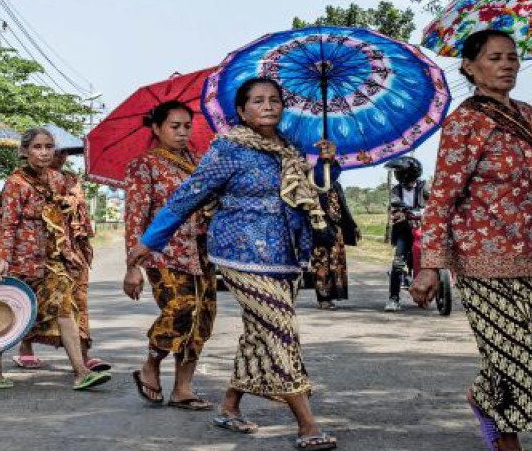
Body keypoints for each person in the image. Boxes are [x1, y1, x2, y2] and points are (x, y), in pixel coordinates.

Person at [411, 29, 532, 451]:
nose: (508, 65)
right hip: (482, 259)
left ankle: (482, 397)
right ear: (470, 66)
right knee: (509, 353)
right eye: (496, 57)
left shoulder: (528, 114)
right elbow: (442, 195)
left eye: (513, 57)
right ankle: (505, 440)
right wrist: (430, 264)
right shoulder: (465, 122)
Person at [129, 77, 339, 451]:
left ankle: (230, 407)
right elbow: (188, 195)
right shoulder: (228, 148)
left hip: (284, 256)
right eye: (258, 100)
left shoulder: (289, 149)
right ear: (241, 111)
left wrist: (326, 163)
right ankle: (307, 424)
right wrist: (150, 241)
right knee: (279, 329)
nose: (268, 106)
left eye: (274, 100)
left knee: (259, 333)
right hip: (239, 253)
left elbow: (312, 191)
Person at [0, 128, 111, 391]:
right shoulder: (16, 183)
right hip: (23, 259)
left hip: (53, 259)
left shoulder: (57, 179)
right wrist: (4, 258)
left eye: (48, 147)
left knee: (65, 309)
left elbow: (74, 200)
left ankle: (80, 372)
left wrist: (70, 203)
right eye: (37, 147)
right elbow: (7, 224)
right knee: (11, 315)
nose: (44, 152)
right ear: (24, 151)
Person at [123, 100, 216, 410]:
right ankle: (151, 364)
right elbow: (135, 217)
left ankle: (183, 388)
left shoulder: (202, 161)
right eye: (174, 126)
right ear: (156, 128)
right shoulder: (144, 165)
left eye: (187, 126)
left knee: (202, 318)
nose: (182, 132)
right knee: (181, 309)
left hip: (201, 251)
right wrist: (133, 267)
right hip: (164, 253)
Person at [12, 147, 110, 373]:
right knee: (32, 300)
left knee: (77, 299)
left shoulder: (71, 180)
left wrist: (72, 201)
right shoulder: (22, 180)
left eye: (63, 152)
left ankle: (84, 357)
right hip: (38, 251)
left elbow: (79, 207)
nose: (59, 156)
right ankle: (24, 349)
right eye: (56, 151)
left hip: (72, 248)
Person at [307, 162, 357, 310]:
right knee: (321, 263)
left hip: (336, 230)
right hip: (319, 228)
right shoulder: (313, 183)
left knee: (336, 263)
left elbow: (343, 208)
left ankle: (332, 296)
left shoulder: (336, 186)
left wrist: (353, 226)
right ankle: (323, 298)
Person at [384, 156, 427, 312]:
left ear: (408, 173)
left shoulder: (424, 187)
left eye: (399, 171)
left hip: (424, 229)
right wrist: (400, 210)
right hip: (404, 230)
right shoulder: (396, 190)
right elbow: (394, 202)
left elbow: (433, 200)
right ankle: (393, 299)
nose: (396, 174)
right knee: (397, 264)